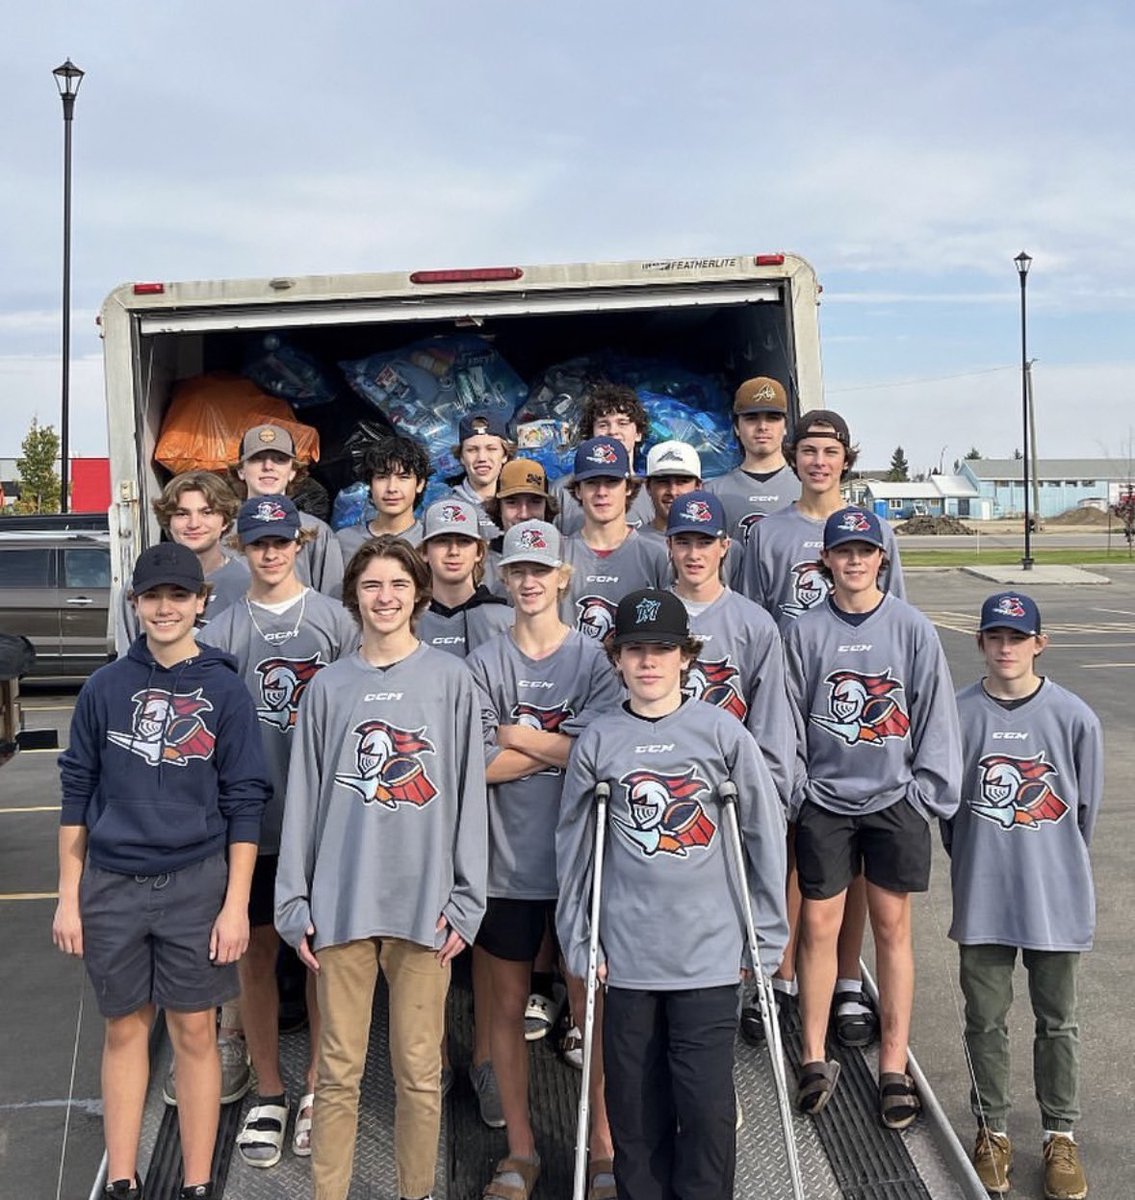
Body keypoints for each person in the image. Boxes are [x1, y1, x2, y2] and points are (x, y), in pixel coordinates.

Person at [53, 542, 269, 1200]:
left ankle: (198, 1181)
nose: (166, 607)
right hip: (113, 883)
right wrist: (68, 898)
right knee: (124, 1027)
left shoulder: (227, 689)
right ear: (136, 603)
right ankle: (122, 1177)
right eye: (154, 596)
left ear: (202, 603)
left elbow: (245, 802)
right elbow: (76, 793)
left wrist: (236, 906)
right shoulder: (104, 687)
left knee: (195, 1028)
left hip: (195, 882)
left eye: (180, 595)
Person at [557, 588, 787, 1200]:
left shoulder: (722, 735)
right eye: (635, 650)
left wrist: (764, 937)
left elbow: (762, 836)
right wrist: (581, 937)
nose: (649, 661)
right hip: (627, 959)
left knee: (707, 1107)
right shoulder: (599, 741)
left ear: (686, 656)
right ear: (617, 659)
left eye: (662, 649)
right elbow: (576, 852)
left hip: (708, 955)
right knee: (633, 1107)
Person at [274, 535, 487, 1200]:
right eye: (371, 586)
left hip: (424, 909)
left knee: (419, 1072)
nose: (385, 597)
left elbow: (468, 796)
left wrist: (468, 898)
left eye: (397, 584)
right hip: (342, 905)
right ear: (354, 597)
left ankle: (415, 1190)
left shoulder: (452, 681)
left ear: (417, 593)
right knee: (337, 1072)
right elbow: (303, 796)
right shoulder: (330, 687)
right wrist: (293, 900)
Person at [783, 507, 960, 1126]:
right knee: (820, 926)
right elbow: (788, 720)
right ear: (826, 561)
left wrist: (922, 793)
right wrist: (799, 791)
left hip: (893, 799)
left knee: (891, 926)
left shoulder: (911, 627)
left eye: (866, 550)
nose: (855, 561)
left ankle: (892, 1063)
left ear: (882, 557)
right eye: (843, 551)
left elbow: (936, 714)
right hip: (826, 800)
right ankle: (811, 1054)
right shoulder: (805, 632)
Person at [196, 495, 359, 1169]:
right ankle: (269, 1086)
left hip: (321, 818)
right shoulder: (223, 629)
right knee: (256, 955)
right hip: (252, 825)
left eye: (280, 542)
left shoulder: (334, 622)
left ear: (300, 544)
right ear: (242, 547)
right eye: (258, 543)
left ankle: (320, 1086)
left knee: (321, 957)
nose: (269, 553)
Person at [739, 408, 906, 1045]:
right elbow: (753, 623)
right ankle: (779, 977)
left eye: (829, 451)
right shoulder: (769, 533)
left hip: (856, 711)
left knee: (856, 857)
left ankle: (844, 980)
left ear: (845, 459)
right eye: (806, 450)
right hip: (789, 701)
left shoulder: (876, 533)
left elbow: (897, 622)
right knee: (785, 845)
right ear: (793, 455)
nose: (817, 461)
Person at [466, 519, 622, 1200]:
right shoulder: (483, 662)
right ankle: (521, 1150)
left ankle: (604, 1149)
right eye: (517, 572)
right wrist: (552, 746)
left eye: (541, 570)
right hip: (503, 864)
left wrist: (516, 736)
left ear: (563, 577)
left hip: (581, 861)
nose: (529, 582)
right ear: (504, 581)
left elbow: (601, 756)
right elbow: (474, 766)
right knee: (501, 1009)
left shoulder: (592, 660)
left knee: (593, 1010)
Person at [948, 592, 1102, 1199]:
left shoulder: (1074, 717)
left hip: (1053, 894)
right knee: (984, 1021)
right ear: (981, 643)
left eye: (1017, 637)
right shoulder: (958, 715)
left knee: (1057, 1022)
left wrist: (1051, 861)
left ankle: (1060, 1136)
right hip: (984, 894)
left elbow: (1083, 813)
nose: (1006, 648)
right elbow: (951, 813)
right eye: (995, 637)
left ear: (1040, 643)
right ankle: (992, 1130)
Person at [114, 470, 249, 655]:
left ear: (225, 521)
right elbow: (126, 657)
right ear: (167, 521)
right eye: (182, 514)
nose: (194, 524)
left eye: (206, 512)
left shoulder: (247, 585)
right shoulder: (140, 583)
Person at [559, 437, 669, 641]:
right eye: (592, 483)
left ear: (628, 488)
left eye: (612, 482)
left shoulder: (657, 555)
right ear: (578, 490)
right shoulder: (559, 554)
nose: (602, 492)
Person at [234, 424, 344, 596]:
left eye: (279, 459)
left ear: (293, 471)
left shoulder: (318, 532)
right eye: (257, 458)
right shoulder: (222, 530)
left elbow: (334, 603)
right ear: (241, 470)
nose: (268, 466)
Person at [705, 376, 801, 545]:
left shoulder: (806, 488)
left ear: (785, 426)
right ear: (736, 427)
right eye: (751, 418)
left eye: (772, 417)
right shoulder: (712, 493)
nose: (762, 426)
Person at [415, 498, 513, 658]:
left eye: (464, 541)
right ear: (424, 552)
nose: (453, 551)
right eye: (442, 541)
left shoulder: (507, 621)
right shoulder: (406, 620)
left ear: (479, 552)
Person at [552, 383, 655, 536]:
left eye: (622, 423)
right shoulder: (562, 491)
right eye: (603, 424)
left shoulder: (652, 492)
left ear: (638, 433)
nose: (613, 431)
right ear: (591, 433)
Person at [334, 434, 430, 559]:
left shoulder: (431, 540)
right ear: (370, 483)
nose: (391, 488)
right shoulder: (344, 542)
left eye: (403, 478)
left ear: (420, 484)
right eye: (382, 477)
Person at [480, 458, 560, 595]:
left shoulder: (566, 556)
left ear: (547, 507)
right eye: (512, 503)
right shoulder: (479, 565)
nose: (524, 514)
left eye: (535, 502)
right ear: (498, 508)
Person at [445, 411, 513, 540]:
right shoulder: (446, 509)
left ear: (505, 455)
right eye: (472, 450)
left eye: (491, 449)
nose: (482, 458)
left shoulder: (520, 507)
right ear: (461, 457)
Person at [637, 440, 703, 546]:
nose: (672, 491)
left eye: (682, 482)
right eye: (663, 481)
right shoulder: (630, 543)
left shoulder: (718, 546)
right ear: (648, 487)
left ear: (698, 486)